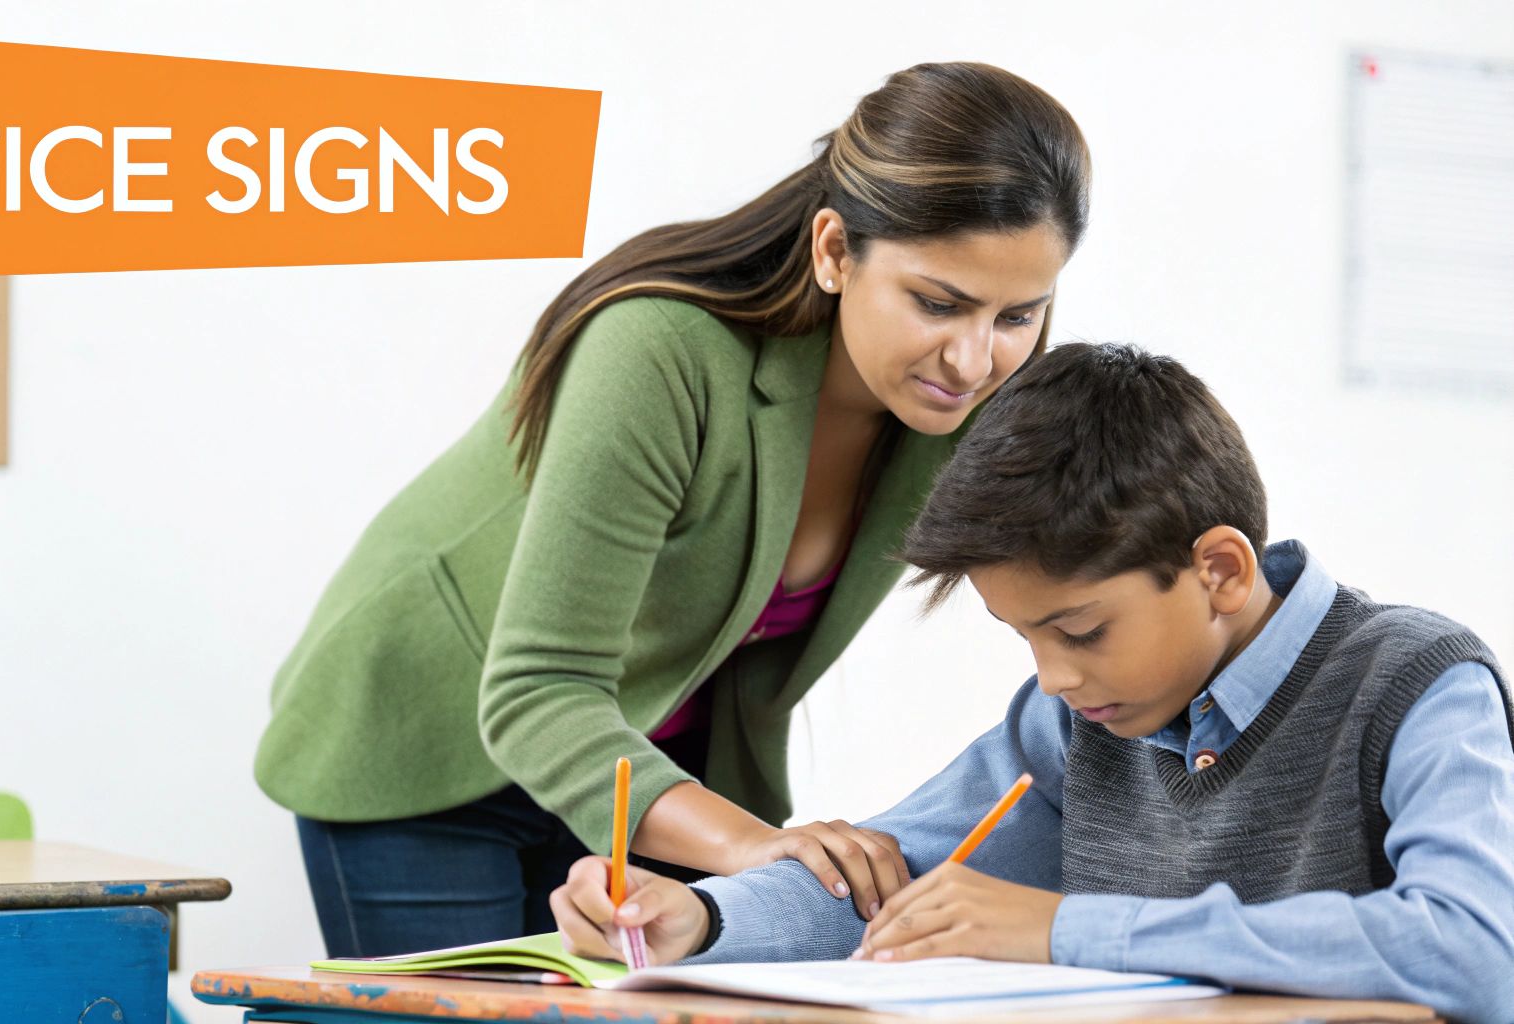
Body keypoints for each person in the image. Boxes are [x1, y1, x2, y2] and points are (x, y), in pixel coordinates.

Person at [255, 62, 1090, 957]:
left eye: (1018, 316)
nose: (974, 359)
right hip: (435, 749)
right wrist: (756, 849)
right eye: (938, 303)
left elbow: (1103, 590)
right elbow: (540, 690)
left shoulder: (969, 395)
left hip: (663, 771)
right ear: (835, 251)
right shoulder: (659, 350)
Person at [550, 343, 1514, 1024]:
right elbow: (892, 883)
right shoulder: (1076, 719)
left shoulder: (1419, 683)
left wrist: (1067, 930)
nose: (1054, 677)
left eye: (1081, 630)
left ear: (1219, 569)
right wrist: (705, 920)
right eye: (1024, 638)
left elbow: (1474, 950)